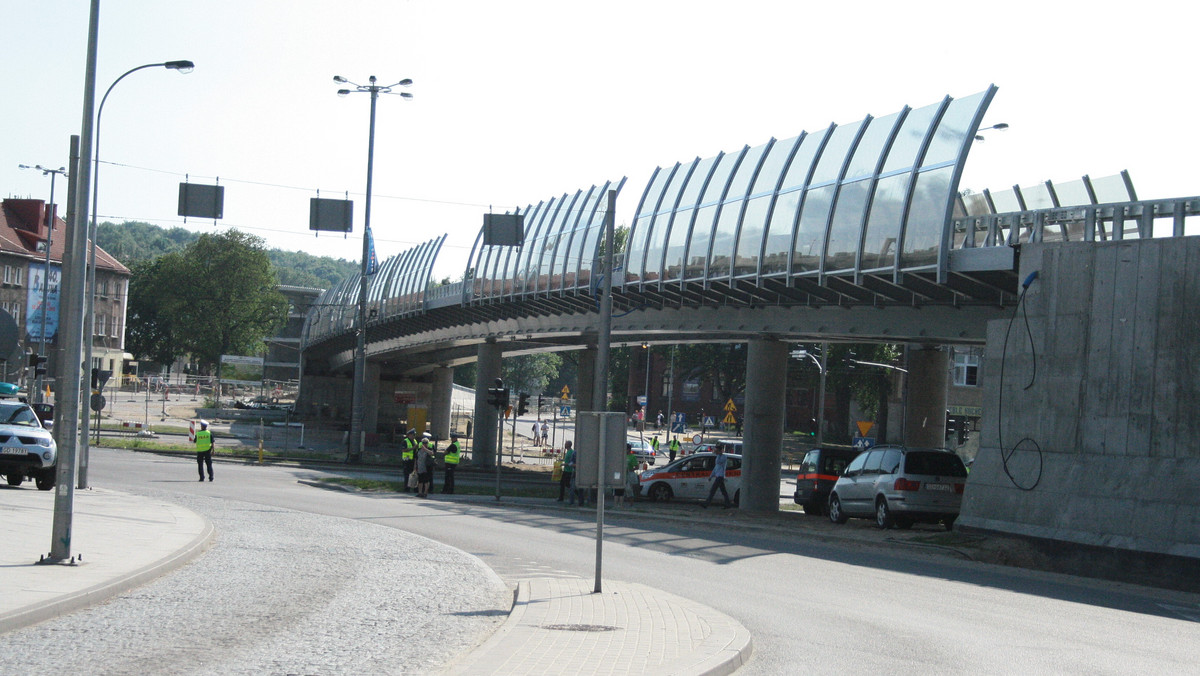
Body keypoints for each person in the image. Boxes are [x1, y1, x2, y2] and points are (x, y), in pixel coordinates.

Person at [416, 433, 436, 498]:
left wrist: (425, 449)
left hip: (427, 468)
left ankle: (425, 493)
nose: (424, 444)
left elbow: (432, 453)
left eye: (426, 443)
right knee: (420, 481)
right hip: (420, 467)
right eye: (423, 443)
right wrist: (415, 466)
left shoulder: (429, 449)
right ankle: (420, 492)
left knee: (426, 481)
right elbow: (416, 458)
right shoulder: (419, 450)